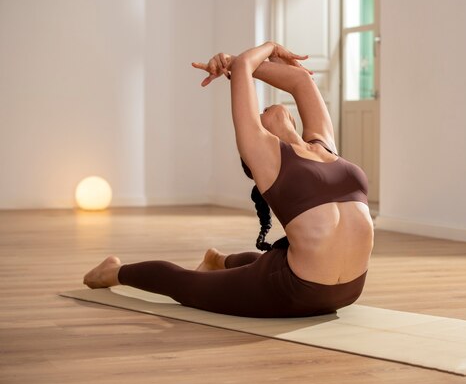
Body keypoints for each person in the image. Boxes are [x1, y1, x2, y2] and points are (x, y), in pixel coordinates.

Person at [83, 42, 374, 318]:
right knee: (186, 284)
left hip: (349, 290)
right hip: (297, 290)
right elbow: (247, 66)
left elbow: (301, 82)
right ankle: (112, 272)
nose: (263, 110)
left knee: (268, 263)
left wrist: (231, 63)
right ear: (259, 137)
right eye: (258, 113)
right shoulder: (269, 158)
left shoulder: (323, 145)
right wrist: (267, 48)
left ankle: (217, 261)